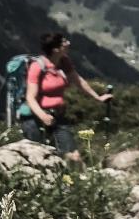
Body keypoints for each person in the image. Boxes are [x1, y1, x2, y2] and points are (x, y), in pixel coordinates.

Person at [20, 32, 113, 164]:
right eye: (64, 42)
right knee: (37, 158)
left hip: (58, 115)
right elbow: (30, 97)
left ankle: (77, 182)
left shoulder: (64, 61)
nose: (68, 43)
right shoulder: (37, 66)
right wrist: (43, 116)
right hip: (34, 118)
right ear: (55, 49)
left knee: (74, 157)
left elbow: (79, 81)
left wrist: (98, 97)